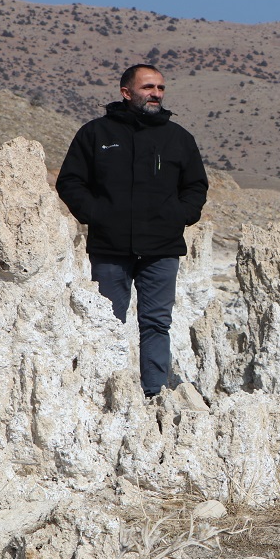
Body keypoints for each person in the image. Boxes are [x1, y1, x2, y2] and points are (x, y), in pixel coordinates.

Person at [56, 64, 208, 398]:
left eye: (161, 88)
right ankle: (109, 390)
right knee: (108, 321)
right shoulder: (96, 134)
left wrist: (179, 215)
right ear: (126, 92)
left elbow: (196, 186)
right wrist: (97, 215)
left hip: (162, 248)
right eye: (148, 87)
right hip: (110, 248)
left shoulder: (178, 138)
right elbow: (70, 181)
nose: (156, 94)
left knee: (156, 323)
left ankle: (153, 391)